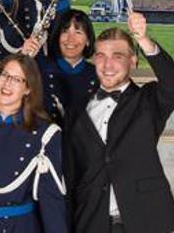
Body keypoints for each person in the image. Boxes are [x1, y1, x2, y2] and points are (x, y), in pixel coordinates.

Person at [65, 12, 174, 233]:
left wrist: (144, 39)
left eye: (118, 56)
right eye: (101, 55)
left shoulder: (148, 100)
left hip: (145, 220)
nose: (107, 65)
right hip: (91, 221)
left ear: (133, 60)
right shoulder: (76, 110)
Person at [0, 54, 67, 232]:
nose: (7, 83)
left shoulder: (45, 134)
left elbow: (51, 201)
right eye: (4, 75)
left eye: (16, 79)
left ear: (28, 88)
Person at [39, 9, 99, 124]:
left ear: (88, 40)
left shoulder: (98, 75)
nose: (70, 39)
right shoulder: (41, 70)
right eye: (65, 31)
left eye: (78, 32)